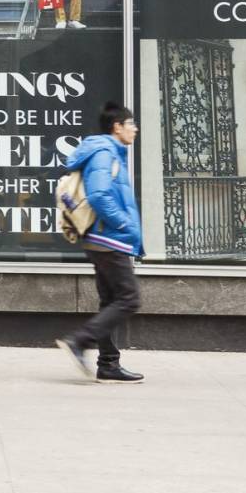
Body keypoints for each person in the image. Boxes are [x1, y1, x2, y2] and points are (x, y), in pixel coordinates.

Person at [56, 103, 142, 383]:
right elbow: (100, 195)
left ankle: (108, 364)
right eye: (131, 124)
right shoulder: (105, 153)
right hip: (109, 239)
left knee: (110, 301)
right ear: (117, 126)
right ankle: (79, 341)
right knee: (129, 299)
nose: (135, 129)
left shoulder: (109, 152)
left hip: (101, 238)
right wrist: (124, 224)